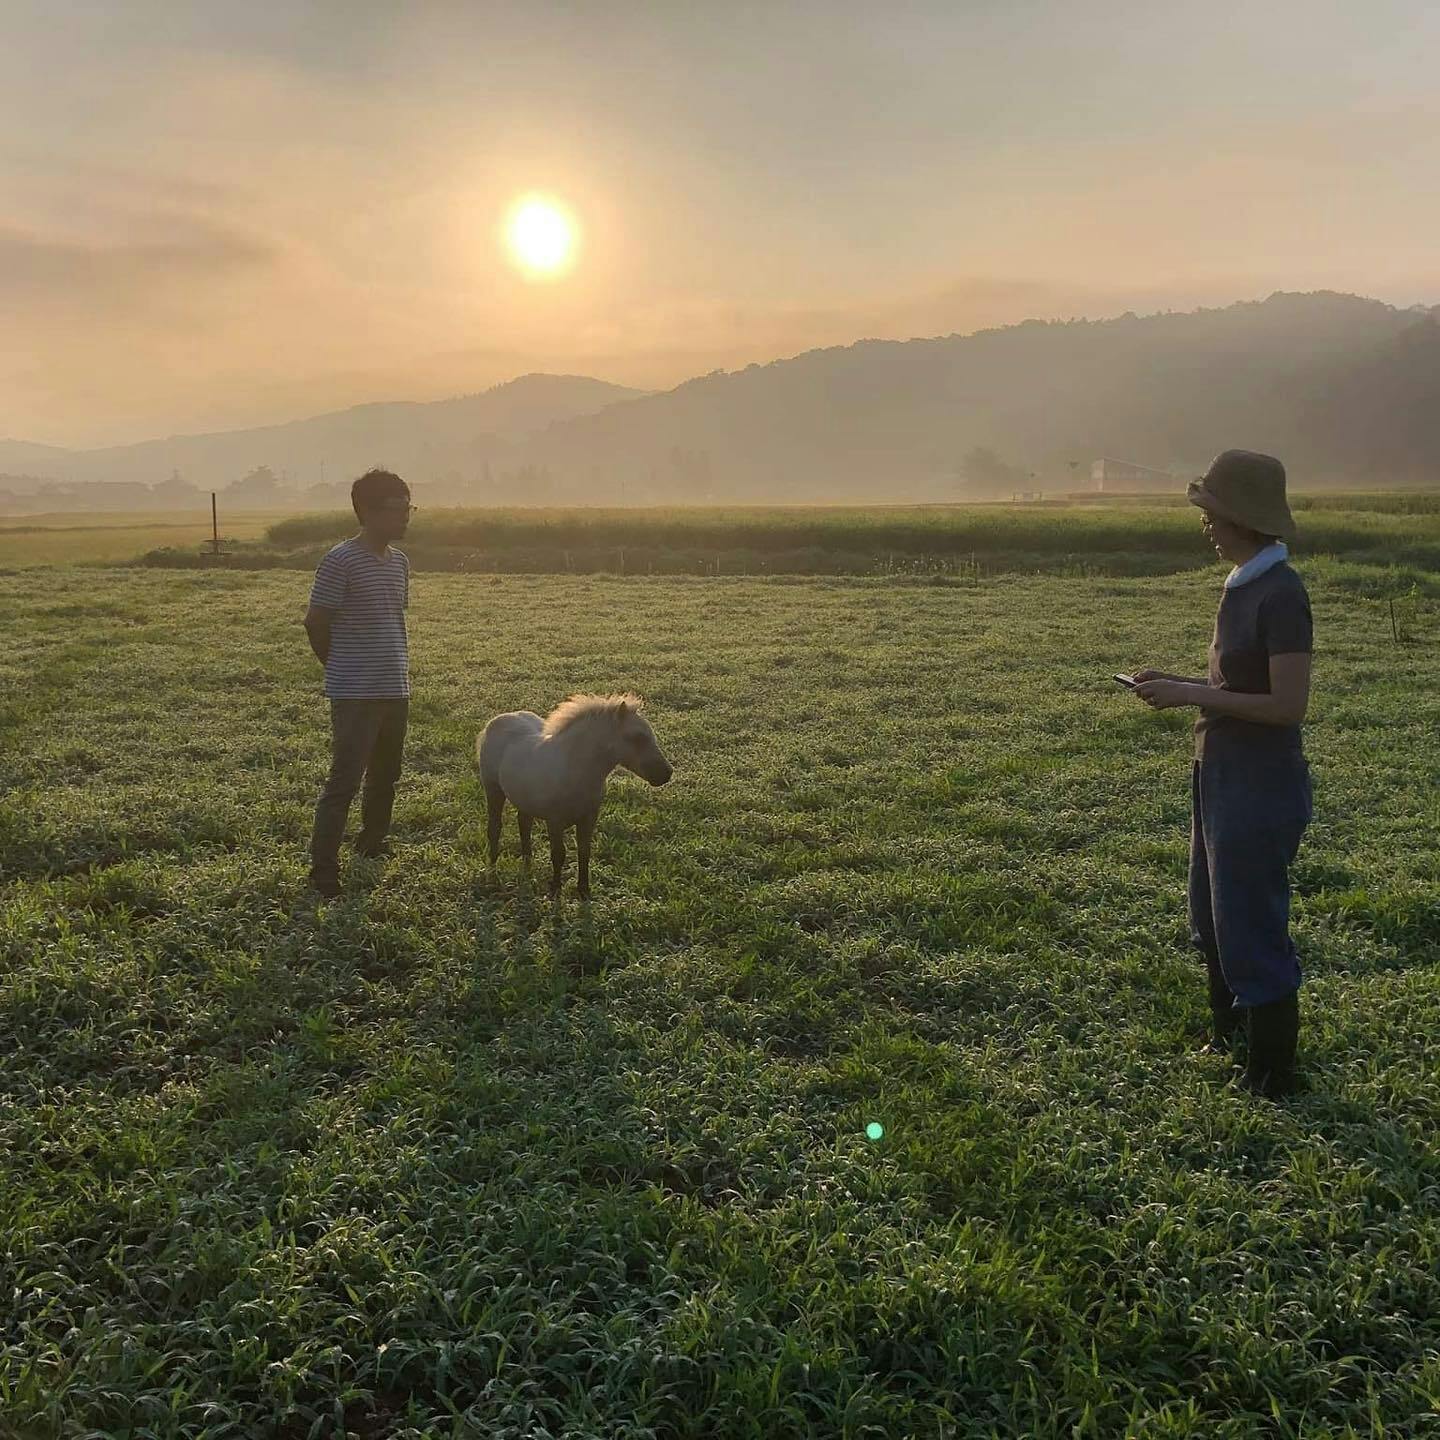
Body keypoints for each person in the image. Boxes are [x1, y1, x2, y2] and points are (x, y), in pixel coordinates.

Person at [1129, 450, 1313, 1097]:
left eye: (1210, 512)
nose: (1204, 523)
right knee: (1211, 915)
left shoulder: (1281, 593)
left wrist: (1190, 694)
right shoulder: (1243, 584)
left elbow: (1288, 706)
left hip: (1259, 784)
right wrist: (1180, 683)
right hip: (1219, 772)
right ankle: (1229, 1034)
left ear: (1240, 517)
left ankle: (1273, 1074)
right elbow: (1237, 683)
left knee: (1250, 920)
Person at [303, 468, 414, 898]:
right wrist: (339, 668)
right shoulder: (340, 561)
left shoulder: (400, 562)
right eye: (396, 509)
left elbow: (391, 621)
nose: (405, 517)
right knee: (344, 781)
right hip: (355, 693)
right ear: (366, 512)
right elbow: (316, 622)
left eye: (409, 509)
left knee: (386, 776)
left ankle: (372, 844)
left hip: (394, 688)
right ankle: (324, 870)